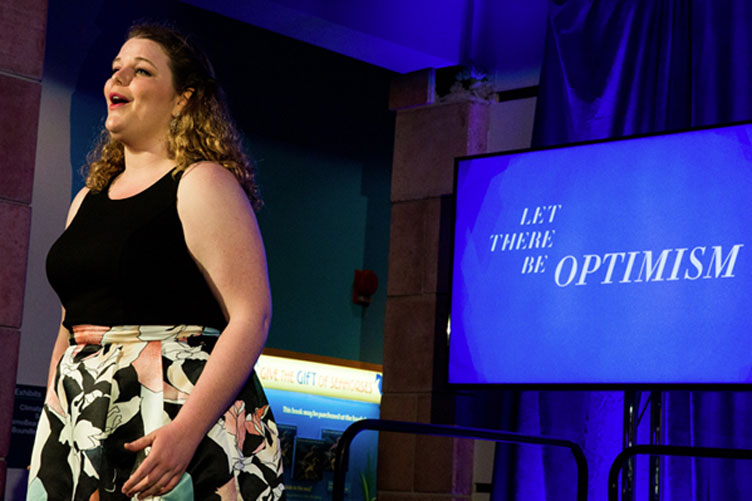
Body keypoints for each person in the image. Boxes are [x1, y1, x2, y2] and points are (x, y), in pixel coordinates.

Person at [27, 23, 284, 500]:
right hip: (83, 417)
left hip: (176, 420)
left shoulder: (202, 183)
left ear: (183, 98)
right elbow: (72, 321)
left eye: (140, 71)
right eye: (115, 70)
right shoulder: (86, 200)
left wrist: (185, 432)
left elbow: (252, 316)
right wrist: (54, 412)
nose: (117, 80)